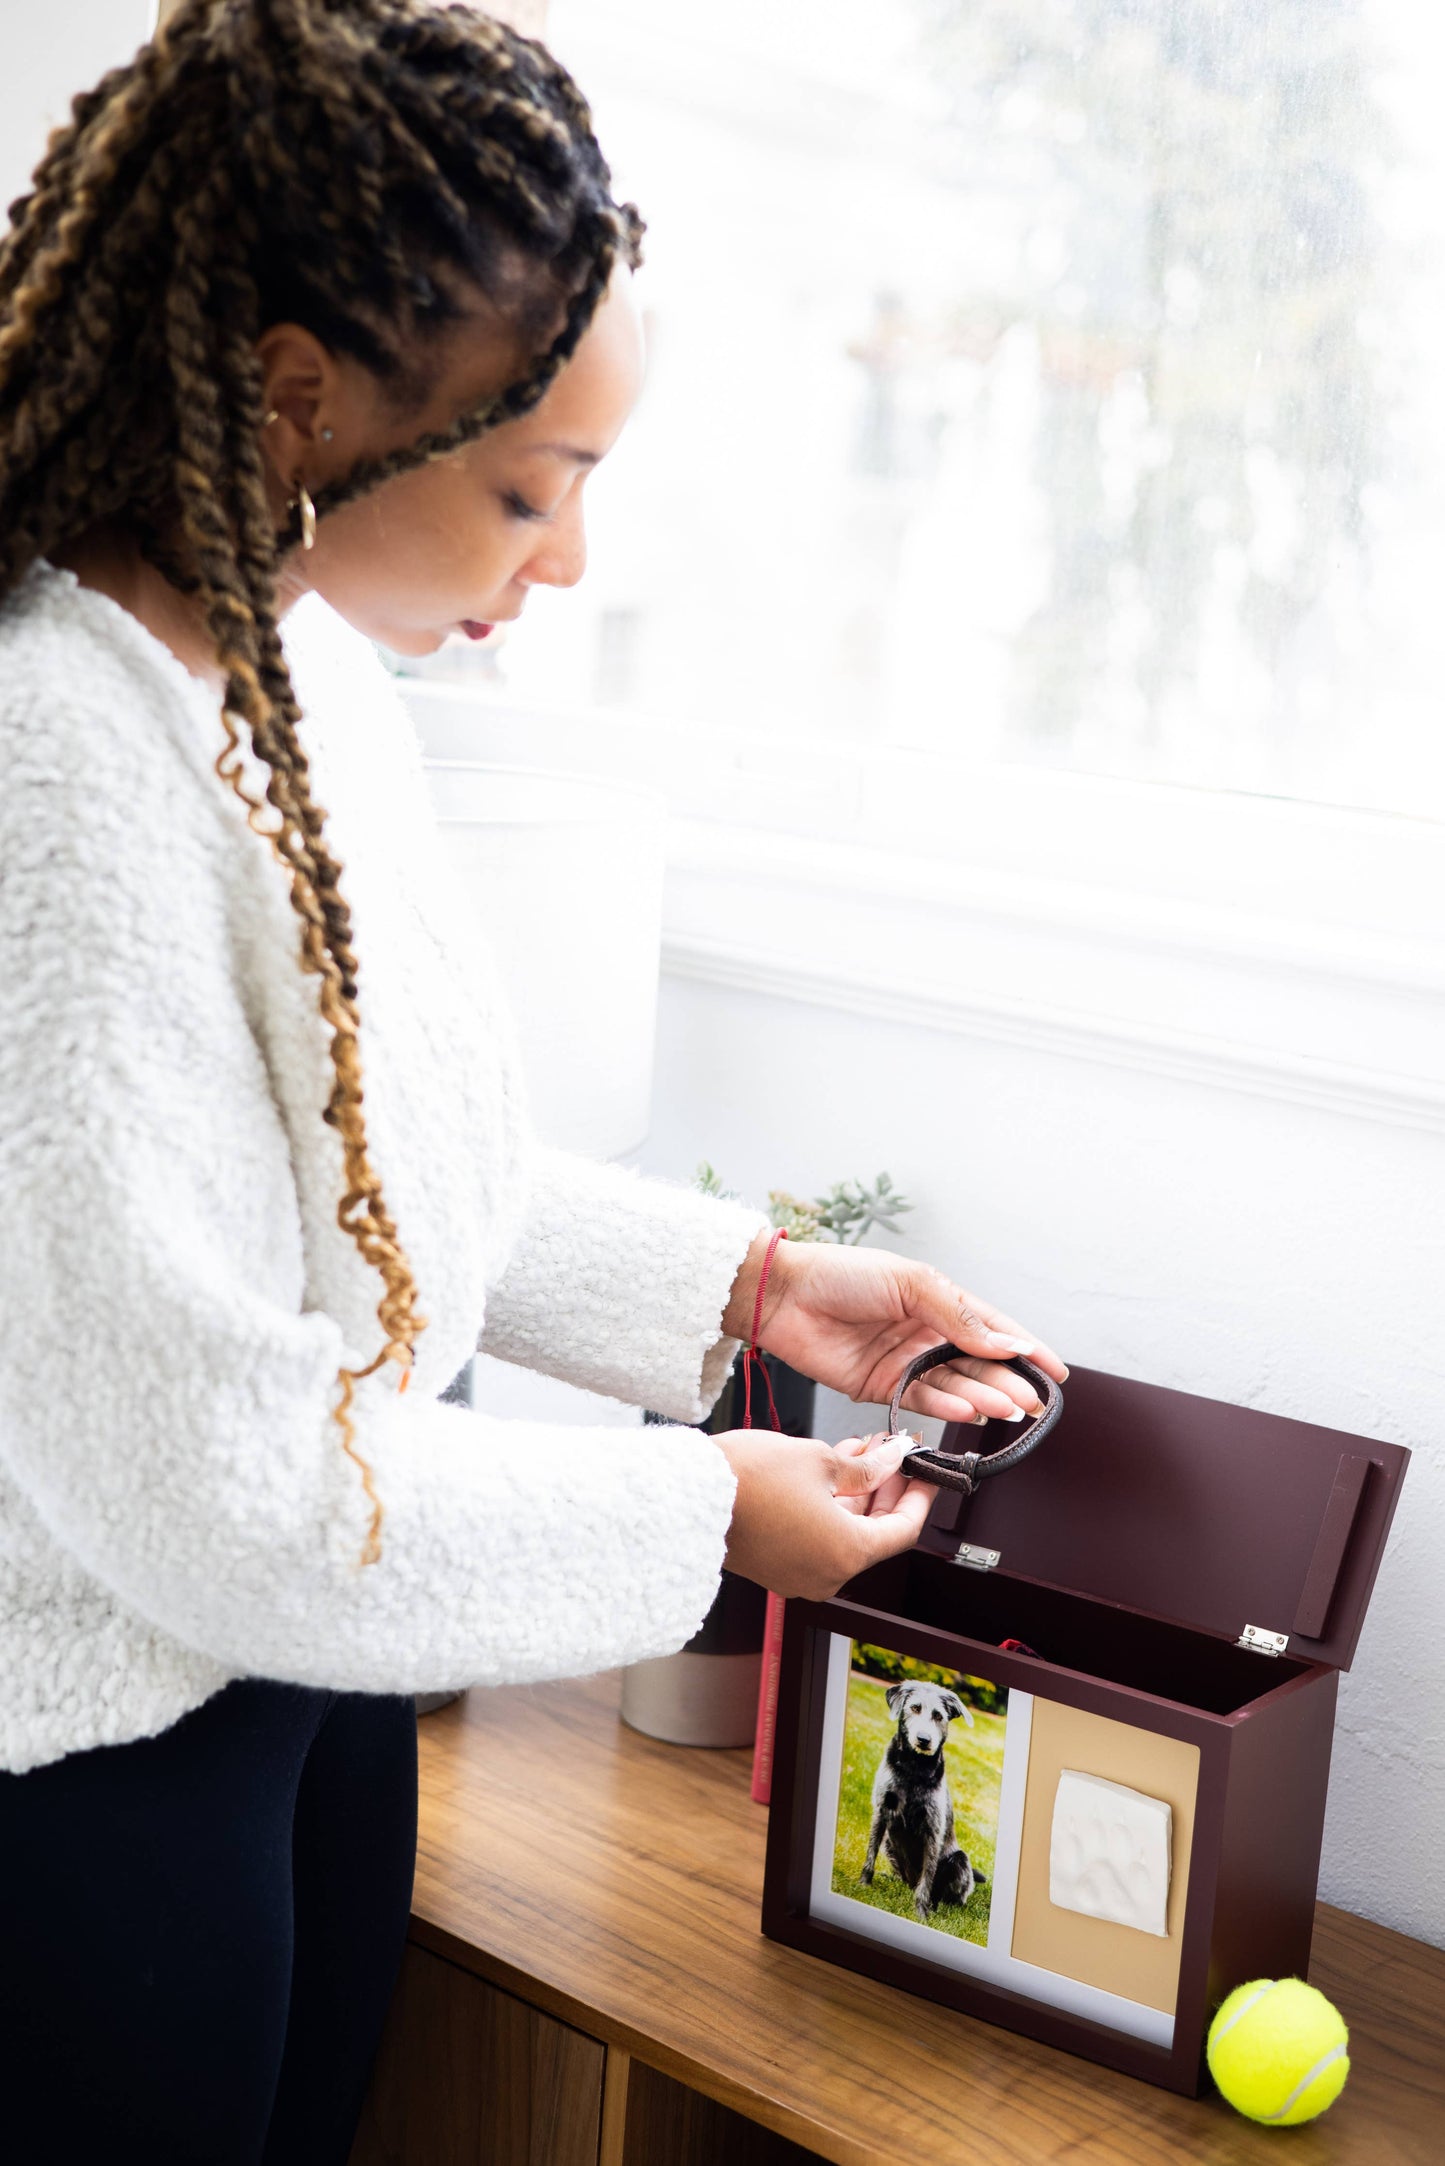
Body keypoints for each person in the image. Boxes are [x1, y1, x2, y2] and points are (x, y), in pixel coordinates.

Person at [0, 3, 1067, 2159]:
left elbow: (381, 1178)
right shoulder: (59, 774)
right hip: (91, 1768)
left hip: (301, 1682)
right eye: (530, 481)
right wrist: (715, 1522)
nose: (564, 560)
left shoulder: (297, 665)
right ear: (296, 397)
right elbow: (218, 1492)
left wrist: (752, 1295)